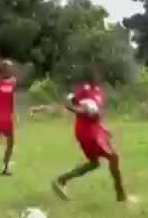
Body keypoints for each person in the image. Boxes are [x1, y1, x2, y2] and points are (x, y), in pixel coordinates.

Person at [51, 68, 134, 203]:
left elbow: (96, 113)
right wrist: (78, 110)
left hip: (95, 131)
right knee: (114, 157)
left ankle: (61, 180)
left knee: (94, 163)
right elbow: (72, 103)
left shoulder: (99, 91)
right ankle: (121, 196)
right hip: (88, 133)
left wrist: (103, 127)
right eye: (96, 72)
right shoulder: (84, 89)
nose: (99, 75)